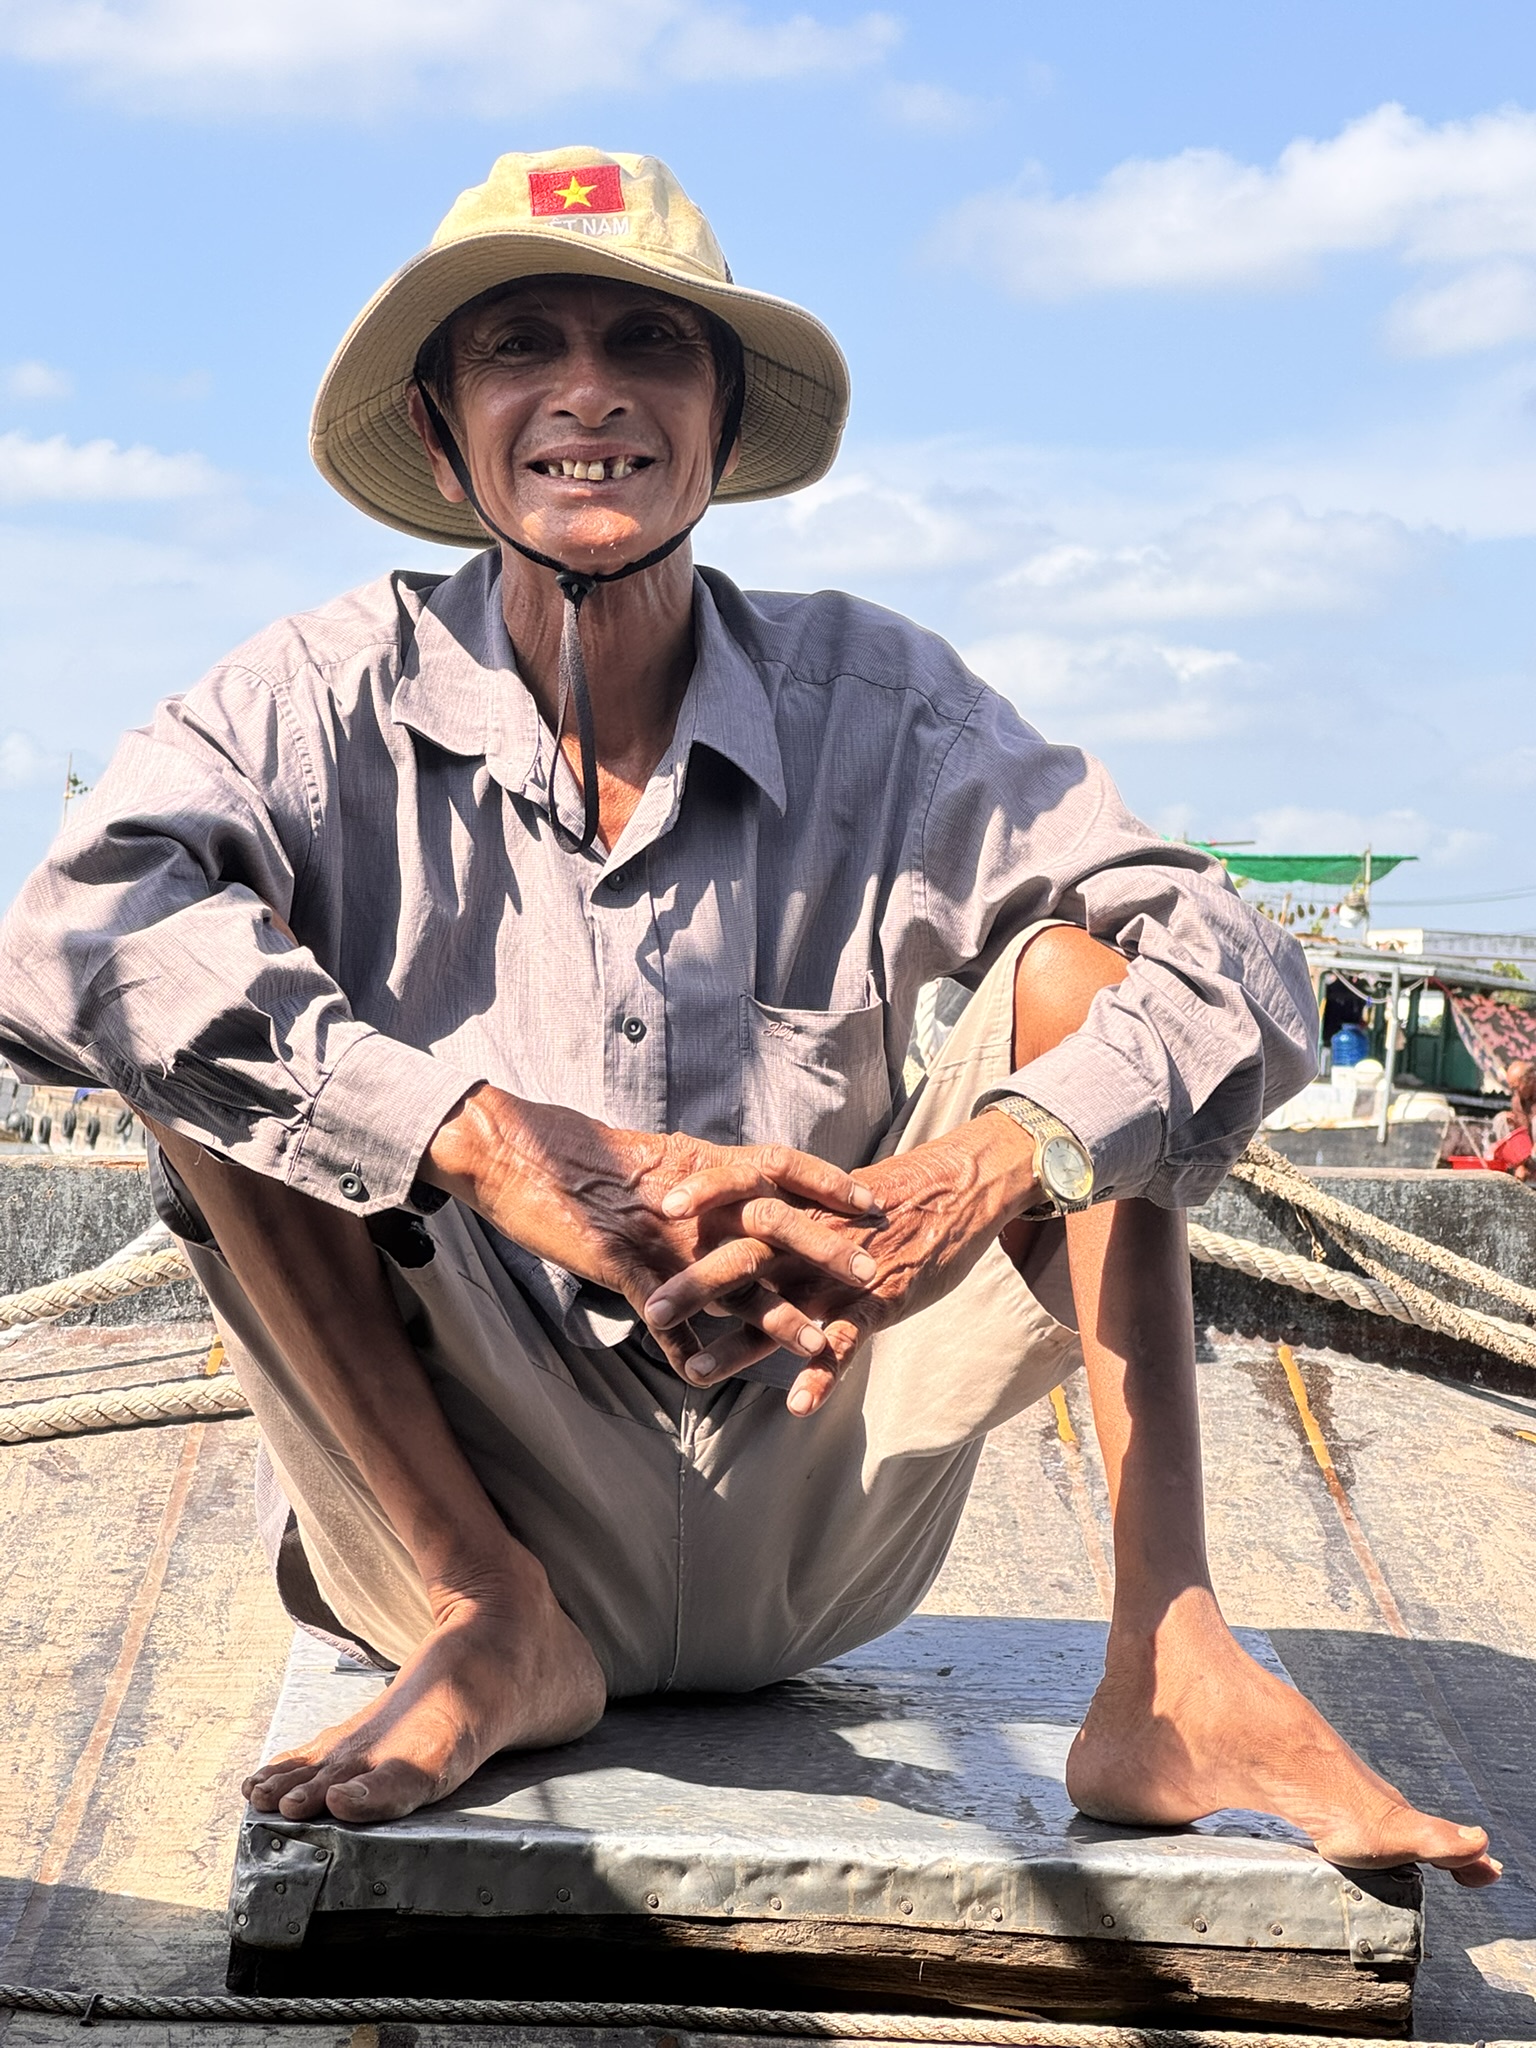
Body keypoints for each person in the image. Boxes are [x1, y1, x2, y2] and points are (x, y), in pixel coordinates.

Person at [0, 148, 1497, 1886]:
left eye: (649, 341)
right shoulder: (310, 695)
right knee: (192, 1010)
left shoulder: (880, 695)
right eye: (520, 349)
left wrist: (971, 1177)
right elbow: (65, 942)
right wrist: (484, 1145)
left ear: (717, 422)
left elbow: (1239, 960)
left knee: (1084, 989)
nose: (588, 393)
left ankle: (1171, 1661)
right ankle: (496, 1614)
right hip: (459, 1491)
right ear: (439, 432)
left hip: (820, 1453)